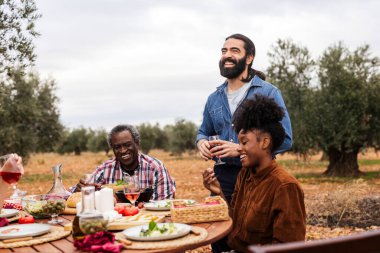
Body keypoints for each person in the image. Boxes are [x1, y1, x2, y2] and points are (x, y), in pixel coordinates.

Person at [196, 33, 292, 204]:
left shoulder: (269, 93)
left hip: (258, 175)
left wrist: (241, 149)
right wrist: (201, 143)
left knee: (254, 229)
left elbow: (285, 139)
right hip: (221, 178)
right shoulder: (214, 98)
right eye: (224, 51)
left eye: (235, 50)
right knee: (221, 229)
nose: (227, 55)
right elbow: (203, 131)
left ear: (249, 58)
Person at [203, 95, 306, 253]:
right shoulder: (245, 174)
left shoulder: (285, 186)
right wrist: (220, 192)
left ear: (265, 142)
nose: (239, 148)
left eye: (244, 143)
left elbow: (288, 247)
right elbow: (235, 223)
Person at [72, 124, 176, 200]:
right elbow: (76, 190)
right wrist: (78, 190)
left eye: (127, 145)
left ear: (137, 143)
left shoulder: (155, 167)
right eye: (117, 147)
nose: (123, 150)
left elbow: (163, 202)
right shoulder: (106, 168)